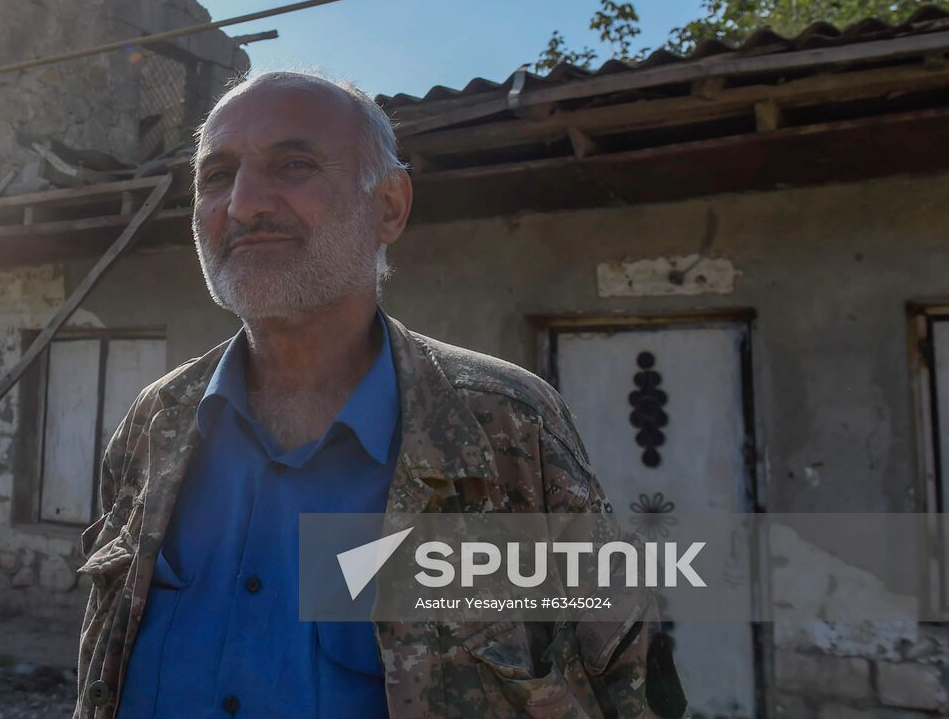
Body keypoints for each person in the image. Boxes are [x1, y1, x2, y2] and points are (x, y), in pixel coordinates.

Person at [74, 71, 685, 718]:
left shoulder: (509, 426)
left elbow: (629, 683)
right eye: (217, 176)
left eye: (294, 164)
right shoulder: (154, 425)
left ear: (389, 207)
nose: (244, 203)